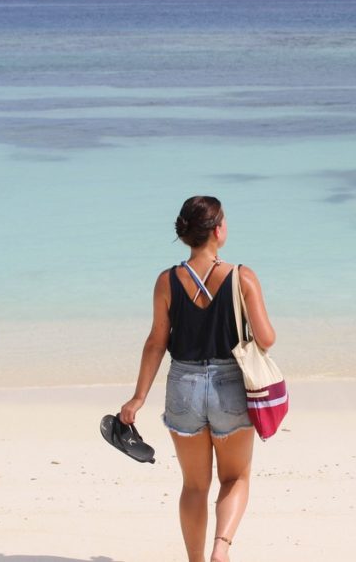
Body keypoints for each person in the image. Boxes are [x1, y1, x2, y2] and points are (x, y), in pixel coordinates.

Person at [119, 195, 277, 562]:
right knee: (235, 478)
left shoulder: (167, 281)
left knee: (193, 486)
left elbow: (157, 341)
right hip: (231, 387)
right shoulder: (242, 276)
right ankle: (221, 548)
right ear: (218, 231)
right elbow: (266, 339)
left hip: (183, 386)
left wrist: (138, 398)